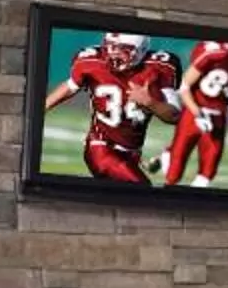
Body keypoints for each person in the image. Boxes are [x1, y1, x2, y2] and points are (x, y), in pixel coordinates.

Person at [43, 35, 181, 184]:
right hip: (101, 149)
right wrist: (40, 109)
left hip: (132, 154)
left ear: (140, 51)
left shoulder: (159, 68)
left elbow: (174, 116)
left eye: (123, 49)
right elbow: (70, 86)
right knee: (143, 192)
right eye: (110, 46)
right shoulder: (92, 62)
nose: (113, 53)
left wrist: (150, 102)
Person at [157, 39, 228, 186]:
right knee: (174, 172)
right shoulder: (212, 54)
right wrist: (197, 113)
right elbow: (184, 86)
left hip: (218, 114)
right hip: (194, 110)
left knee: (208, 171)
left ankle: (193, 204)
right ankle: (168, 155)